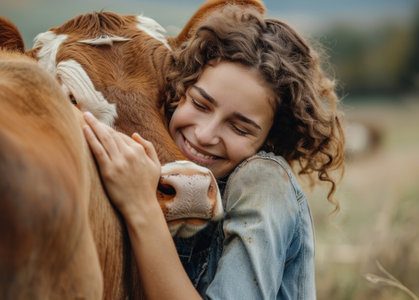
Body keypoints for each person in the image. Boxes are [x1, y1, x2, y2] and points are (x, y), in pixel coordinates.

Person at [82, 5, 345, 300]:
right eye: (200, 104)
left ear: (270, 137)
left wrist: (141, 208)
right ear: (181, 88)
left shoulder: (264, 183)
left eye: (240, 128)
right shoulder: (149, 169)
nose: (205, 135)